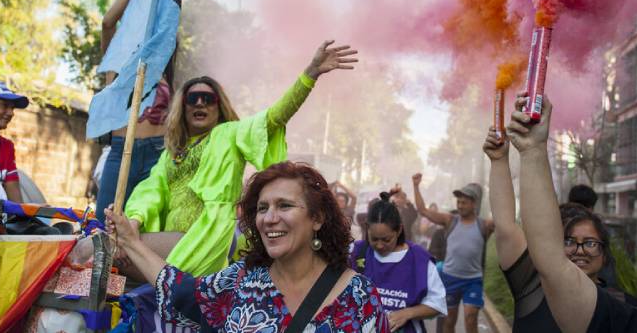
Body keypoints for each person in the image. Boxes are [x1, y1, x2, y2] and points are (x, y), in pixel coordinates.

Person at [123, 40, 358, 277]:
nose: (201, 103)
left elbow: (275, 117)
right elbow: (150, 191)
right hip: (167, 236)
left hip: (203, 237)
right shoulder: (170, 153)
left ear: (219, 105)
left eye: (208, 98)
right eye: (192, 99)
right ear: (182, 108)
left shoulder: (230, 133)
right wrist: (133, 220)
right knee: (99, 259)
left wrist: (310, 74)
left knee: (103, 250)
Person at [107, 161, 389, 331]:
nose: (269, 218)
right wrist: (130, 242)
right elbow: (180, 292)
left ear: (317, 218)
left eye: (285, 205)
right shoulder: (241, 280)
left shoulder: (360, 297)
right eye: (262, 208)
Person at [506, 94, 637, 333]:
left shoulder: (627, 309)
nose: (580, 250)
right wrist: (532, 150)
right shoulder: (534, 291)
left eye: (590, 243)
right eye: (569, 241)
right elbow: (548, 259)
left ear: (605, 254)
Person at [97, 0, 173, 222]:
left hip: (158, 154)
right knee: (105, 223)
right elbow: (107, 23)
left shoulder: (164, 71)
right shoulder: (118, 66)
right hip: (122, 151)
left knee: (146, 226)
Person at [351, 192, 447, 332]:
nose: (379, 245)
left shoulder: (419, 259)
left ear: (399, 229)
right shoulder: (356, 252)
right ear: (367, 229)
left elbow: (437, 303)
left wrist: (408, 313)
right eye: (374, 239)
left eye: (386, 239)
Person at [412, 173, 493, 333]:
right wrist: (416, 186)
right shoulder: (450, 220)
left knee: (471, 318)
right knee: (449, 321)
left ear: (474, 204)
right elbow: (423, 210)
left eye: (464, 202)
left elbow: (505, 219)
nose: (460, 205)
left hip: (473, 280)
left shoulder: (484, 225)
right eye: (459, 202)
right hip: (450, 278)